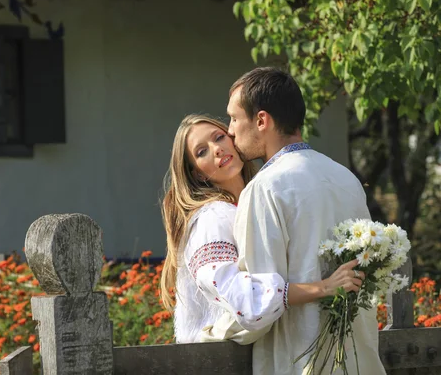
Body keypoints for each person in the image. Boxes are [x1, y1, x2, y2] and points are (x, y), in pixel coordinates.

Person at [227, 67, 385, 374]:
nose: (230, 130)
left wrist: (215, 328)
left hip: (302, 359)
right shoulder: (346, 177)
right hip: (357, 358)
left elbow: (261, 300)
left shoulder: (264, 188)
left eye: (234, 118)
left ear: (261, 120)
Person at [159, 114, 365, 345]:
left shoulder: (257, 199)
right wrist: (324, 287)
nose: (216, 149)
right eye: (201, 152)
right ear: (197, 173)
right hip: (217, 362)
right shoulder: (212, 218)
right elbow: (244, 299)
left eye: (219, 137)